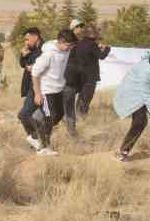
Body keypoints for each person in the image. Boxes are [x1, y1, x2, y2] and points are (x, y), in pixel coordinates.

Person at [28, 28, 76, 156]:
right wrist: (37, 93)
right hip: (46, 91)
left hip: (58, 90)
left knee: (59, 115)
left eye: (72, 45)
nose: (70, 48)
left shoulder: (67, 49)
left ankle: (34, 134)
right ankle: (44, 147)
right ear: (60, 42)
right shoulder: (49, 54)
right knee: (49, 117)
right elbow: (34, 73)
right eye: (68, 45)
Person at [62, 22, 110, 135]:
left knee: (75, 99)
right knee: (84, 100)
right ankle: (81, 119)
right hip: (90, 77)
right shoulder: (92, 45)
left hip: (78, 76)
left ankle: (72, 119)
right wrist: (107, 49)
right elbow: (101, 56)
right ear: (93, 35)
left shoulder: (77, 44)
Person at [16, 28, 44, 149]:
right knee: (33, 117)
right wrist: (23, 55)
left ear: (35, 37)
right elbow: (23, 65)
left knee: (24, 115)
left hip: (40, 88)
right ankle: (38, 143)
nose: (26, 42)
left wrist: (34, 67)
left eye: (27, 39)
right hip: (30, 87)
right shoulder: (32, 50)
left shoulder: (44, 50)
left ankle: (38, 141)